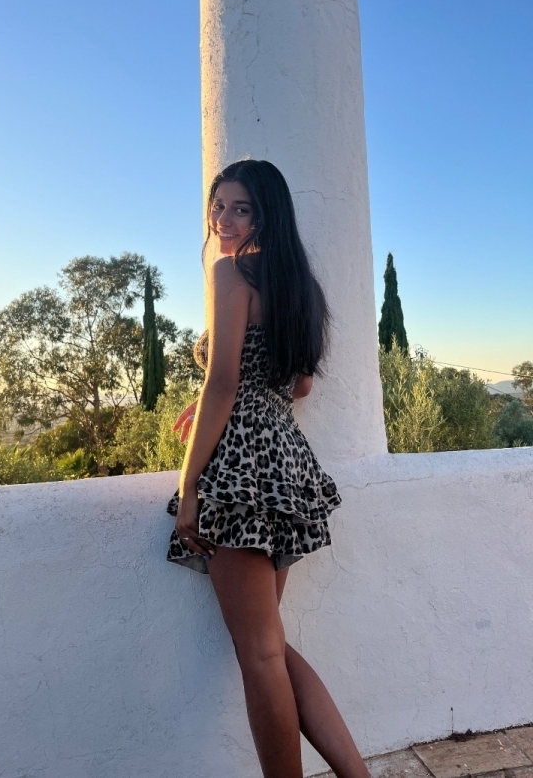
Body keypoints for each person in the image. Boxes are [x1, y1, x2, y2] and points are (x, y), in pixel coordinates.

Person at [165, 159, 370, 778]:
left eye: (241, 208)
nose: (223, 220)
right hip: (285, 459)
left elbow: (223, 382)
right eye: (218, 206)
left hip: (240, 460)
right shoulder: (301, 287)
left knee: (258, 656)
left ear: (266, 214)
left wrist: (189, 487)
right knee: (270, 646)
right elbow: (300, 385)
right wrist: (232, 394)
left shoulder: (231, 272)